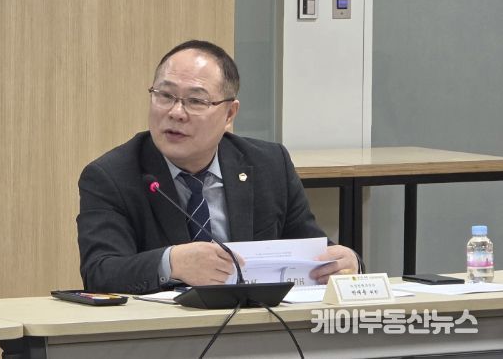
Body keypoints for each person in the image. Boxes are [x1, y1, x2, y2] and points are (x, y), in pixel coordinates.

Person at [77, 40, 361, 294]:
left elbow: (314, 251)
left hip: (257, 326)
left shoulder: (269, 165)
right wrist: (171, 263)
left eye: (195, 101)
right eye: (165, 96)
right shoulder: (112, 176)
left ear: (229, 114)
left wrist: (348, 263)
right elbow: (100, 273)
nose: (176, 113)